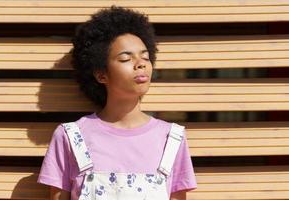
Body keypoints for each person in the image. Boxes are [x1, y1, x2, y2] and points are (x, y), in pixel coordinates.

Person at [37, 6, 197, 200]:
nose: (141, 64)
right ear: (101, 74)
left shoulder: (172, 139)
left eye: (145, 57)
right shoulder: (70, 137)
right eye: (125, 58)